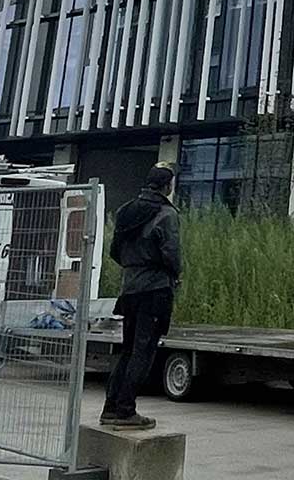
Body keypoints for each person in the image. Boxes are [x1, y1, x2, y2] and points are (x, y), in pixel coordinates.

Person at [102, 164, 180, 429]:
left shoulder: (126, 211)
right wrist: (173, 274)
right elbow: (171, 254)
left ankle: (111, 408)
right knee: (143, 352)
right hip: (155, 288)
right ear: (166, 187)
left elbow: (114, 250)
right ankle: (126, 411)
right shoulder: (166, 214)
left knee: (127, 350)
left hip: (130, 288)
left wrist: (132, 266)